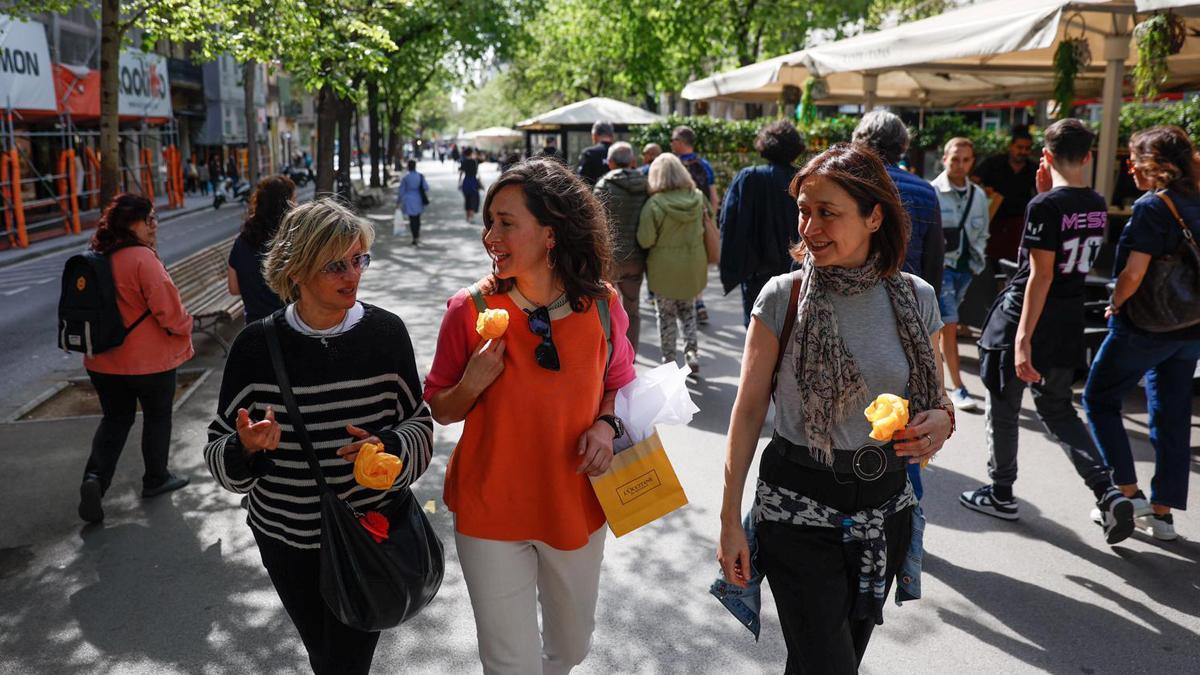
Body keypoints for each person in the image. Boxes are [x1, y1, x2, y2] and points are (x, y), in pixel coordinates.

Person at [718, 143, 951, 674]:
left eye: (827, 213)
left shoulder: (917, 298)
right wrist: (730, 519)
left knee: (819, 663)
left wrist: (939, 422)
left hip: (886, 510)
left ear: (874, 217)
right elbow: (748, 411)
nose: (809, 227)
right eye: (803, 210)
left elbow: (937, 402)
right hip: (798, 508)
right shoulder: (784, 296)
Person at [203, 199, 434, 675]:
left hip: (371, 535)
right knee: (324, 656)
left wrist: (388, 447)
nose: (353, 274)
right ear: (296, 269)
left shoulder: (387, 334)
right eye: (335, 265)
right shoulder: (255, 348)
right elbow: (218, 452)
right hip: (287, 542)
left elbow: (420, 428)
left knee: (343, 664)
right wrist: (245, 448)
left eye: (359, 259)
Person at [424, 158, 636, 674]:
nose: (490, 235)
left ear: (550, 233)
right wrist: (472, 382)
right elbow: (440, 408)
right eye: (489, 221)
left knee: (570, 648)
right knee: (508, 662)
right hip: (490, 506)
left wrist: (606, 427)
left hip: (576, 505)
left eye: (506, 222)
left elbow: (618, 384)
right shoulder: (467, 310)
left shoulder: (603, 305)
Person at [962, 119, 1134, 545]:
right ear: (1089, 156)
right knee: (1059, 410)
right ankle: (1107, 491)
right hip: (1067, 321)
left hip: (1026, 316)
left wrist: (1021, 338)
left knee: (1002, 407)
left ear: (1047, 155)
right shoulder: (1096, 202)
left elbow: (1040, 276)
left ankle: (1001, 492)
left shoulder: (1045, 207)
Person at [1083, 125, 1200, 542]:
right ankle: (1163, 515)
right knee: (1171, 417)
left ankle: (1128, 494)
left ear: (1155, 166)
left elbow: (1133, 274)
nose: (1128, 167)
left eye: (1133, 159)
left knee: (1097, 399)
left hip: (1143, 326)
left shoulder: (1153, 207)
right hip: (1190, 329)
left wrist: (1114, 303)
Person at [76, 194, 194, 523]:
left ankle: (95, 480)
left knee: (115, 419)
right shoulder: (142, 259)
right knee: (157, 416)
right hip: (149, 361)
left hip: (102, 362)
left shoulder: (96, 254)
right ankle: (156, 478)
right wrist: (188, 325)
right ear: (132, 223)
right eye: (149, 220)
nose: (155, 227)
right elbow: (169, 311)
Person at [718, 120, 805, 326]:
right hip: (797, 269)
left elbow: (730, 223)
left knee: (758, 328)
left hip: (757, 271)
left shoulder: (749, 178)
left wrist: (734, 267)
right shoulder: (803, 179)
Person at [852, 110, 945, 297]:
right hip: (906, 297)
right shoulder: (925, 191)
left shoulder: (845, 182)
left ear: (858, 139)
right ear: (903, 145)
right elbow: (934, 259)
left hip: (848, 293)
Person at [931, 137, 991, 411]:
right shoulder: (933, 191)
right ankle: (957, 388)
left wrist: (976, 259)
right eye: (955, 158)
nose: (960, 164)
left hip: (967, 269)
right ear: (945, 159)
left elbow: (982, 232)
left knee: (946, 329)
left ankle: (936, 382)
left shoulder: (978, 195)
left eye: (966, 159)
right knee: (950, 327)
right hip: (943, 269)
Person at [638, 153, 707, 376]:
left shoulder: (655, 204)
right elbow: (708, 225)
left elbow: (645, 239)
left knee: (665, 315)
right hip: (692, 266)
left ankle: (669, 359)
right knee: (688, 312)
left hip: (663, 269)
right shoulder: (697, 197)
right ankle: (692, 353)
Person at [594, 141, 649, 350]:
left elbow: (595, 223)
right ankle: (631, 356)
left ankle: (612, 355)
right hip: (636, 256)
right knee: (632, 308)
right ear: (633, 161)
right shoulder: (645, 184)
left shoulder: (603, 186)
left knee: (607, 309)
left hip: (610, 257)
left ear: (610, 163)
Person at [227, 175, 294, 324]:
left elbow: (234, 288)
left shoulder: (242, 241)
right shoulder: (293, 240)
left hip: (255, 327)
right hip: (290, 326)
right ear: (288, 204)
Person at [670, 126, 716, 325]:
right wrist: (711, 220)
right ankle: (698, 301)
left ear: (680, 141)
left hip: (676, 222)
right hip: (700, 219)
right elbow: (713, 196)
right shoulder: (704, 164)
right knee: (697, 262)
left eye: (673, 140)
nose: (671, 143)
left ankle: (686, 304)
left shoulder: (672, 166)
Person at [974, 125, 1037, 264]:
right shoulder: (993, 163)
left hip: (1019, 222)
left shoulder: (1033, 168)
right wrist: (984, 190)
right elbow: (973, 182)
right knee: (991, 259)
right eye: (1020, 147)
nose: (1023, 152)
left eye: (1027, 148)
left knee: (1016, 260)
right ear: (1011, 146)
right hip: (993, 220)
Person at [397, 159, 431, 246]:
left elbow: (401, 191)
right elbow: (426, 187)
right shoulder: (420, 176)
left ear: (408, 166)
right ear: (415, 166)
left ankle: (414, 237)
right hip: (418, 199)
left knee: (412, 220)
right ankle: (417, 235)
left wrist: (398, 201)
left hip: (408, 200)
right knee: (417, 218)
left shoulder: (405, 177)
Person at [576, 120, 615, 186]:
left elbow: (580, 181)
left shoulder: (589, 153)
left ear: (594, 136)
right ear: (612, 136)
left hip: (594, 195)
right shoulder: (623, 152)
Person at [459, 147, 482, 223]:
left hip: (466, 182)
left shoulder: (463, 161)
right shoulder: (474, 161)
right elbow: (478, 172)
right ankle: (471, 217)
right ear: (471, 153)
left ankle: (468, 217)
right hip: (473, 181)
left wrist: (459, 183)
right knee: (473, 199)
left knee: (467, 199)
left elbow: (461, 173)